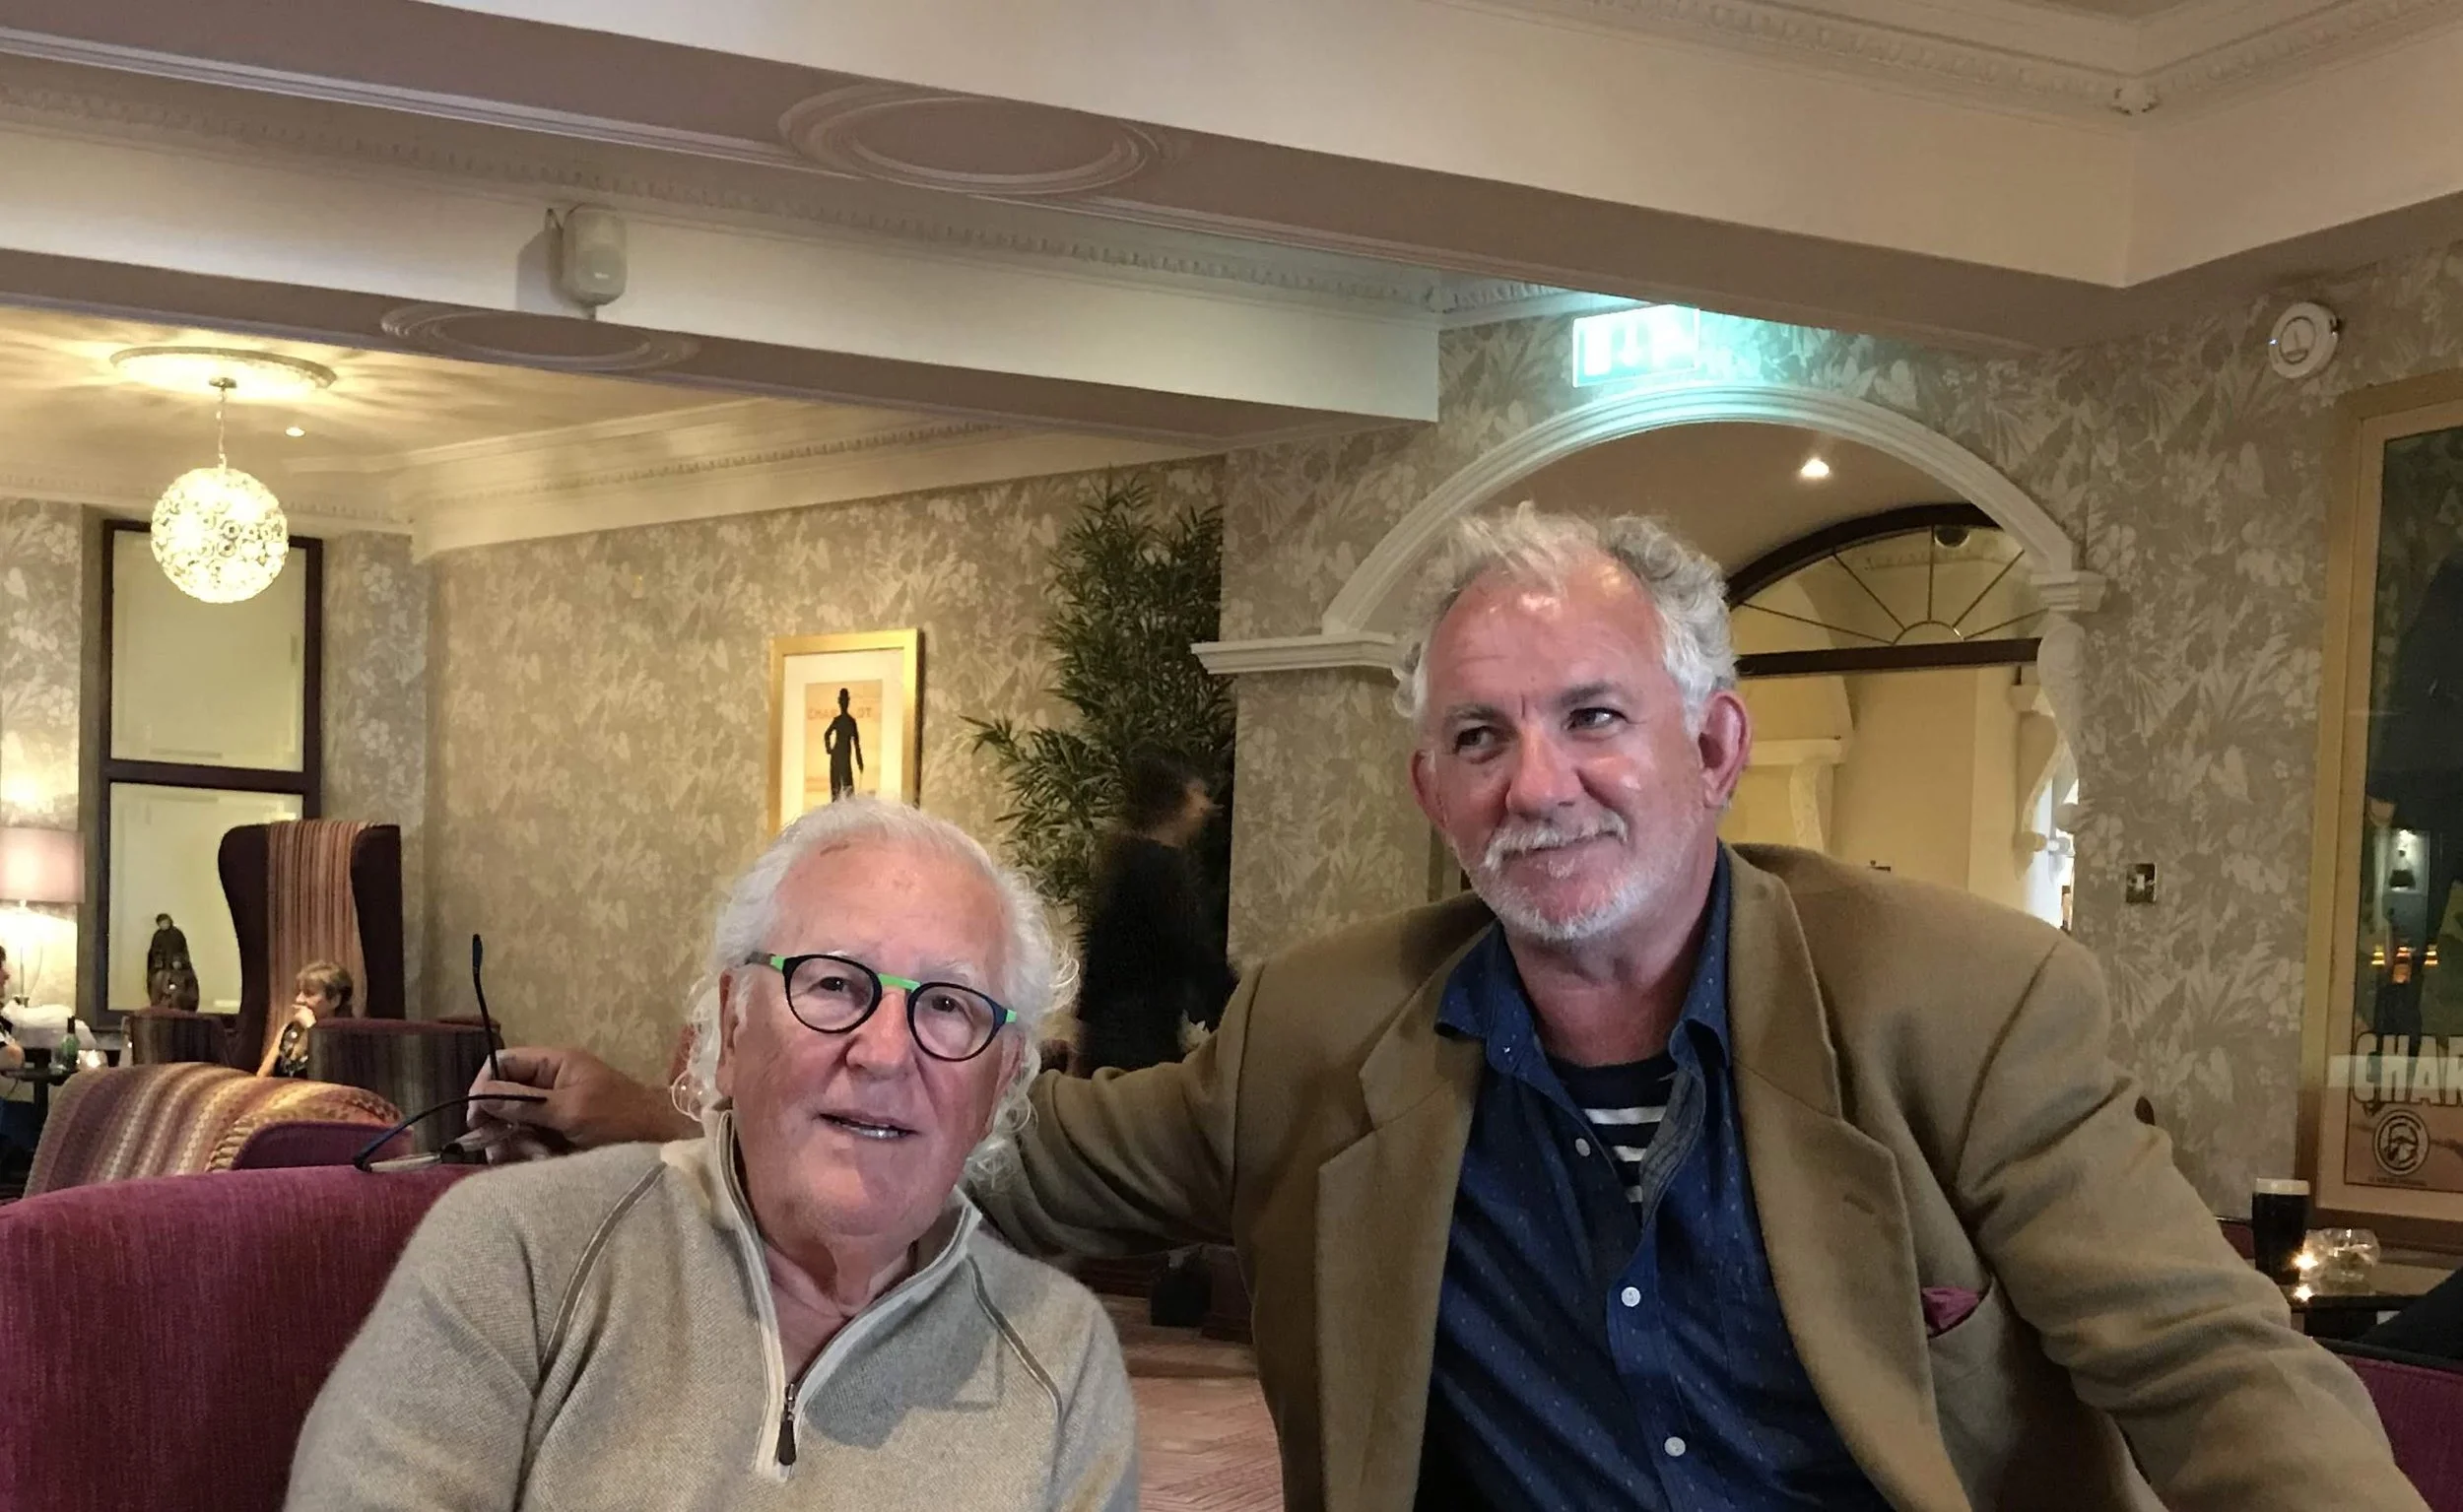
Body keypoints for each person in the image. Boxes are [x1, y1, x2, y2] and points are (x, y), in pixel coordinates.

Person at [470, 507, 2426, 1512]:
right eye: (1479, 737)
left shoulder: (1966, 1005)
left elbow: (2210, 1371)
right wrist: (673, 1117)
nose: (1534, 784)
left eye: (1593, 719)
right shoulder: (1326, 1026)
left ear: (1713, 747)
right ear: (1429, 786)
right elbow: (1009, 1162)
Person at [291, 800, 1136, 1511]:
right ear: (732, 1027)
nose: (884, 1051)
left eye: (948, 1004)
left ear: (1001, 1078)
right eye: (833, 982)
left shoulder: (1061, 1354)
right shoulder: (515, 1254)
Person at [1076, 753, 1237, 1075]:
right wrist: (1240, 1009)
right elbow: (1195, 951)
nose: (1205, 806)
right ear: (1173, 799)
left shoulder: (1125, 859)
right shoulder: (1160, 869)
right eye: (1197, 793)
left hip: (1112, 1035)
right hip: (1140, 1038)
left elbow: (1097, 962)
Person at [257, 959, 352, 1079]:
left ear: (335, 1000)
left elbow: (326, 1076)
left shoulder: (348, 1034)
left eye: (309, 993)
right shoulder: (290, 1030)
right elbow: (263, 1075)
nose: (299, 999)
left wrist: (312, 1028)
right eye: (299, 992)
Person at [825, 687, 865, 802]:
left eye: (845, 701)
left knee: (848, 790)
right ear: (839, 702)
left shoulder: (851, 722)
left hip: (845, 759)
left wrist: (859, 761)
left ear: (848, 702)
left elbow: (856, 744)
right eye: (842, 701)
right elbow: (827, 734)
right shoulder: (838, 720)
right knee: (836, 791)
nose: (843, 704)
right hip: (837, 757)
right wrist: (829, 749)